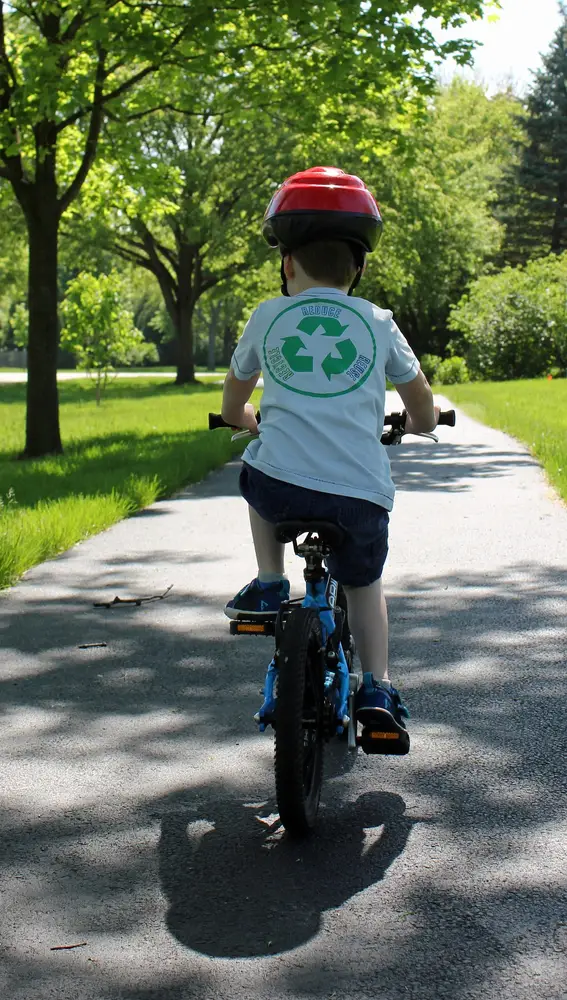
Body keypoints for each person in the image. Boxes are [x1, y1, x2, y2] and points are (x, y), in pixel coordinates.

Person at [220, 166, 439, 753]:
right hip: (358, 494)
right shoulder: (377, 323)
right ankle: (377, 688)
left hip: (283, 490)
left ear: (287, 264)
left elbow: (235, 397)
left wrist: (247, 419)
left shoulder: (268, 316)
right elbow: (418, 395)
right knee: (364, 583)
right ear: (358, 268)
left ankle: (270, 583)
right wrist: (420, 425)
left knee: (257, 470)